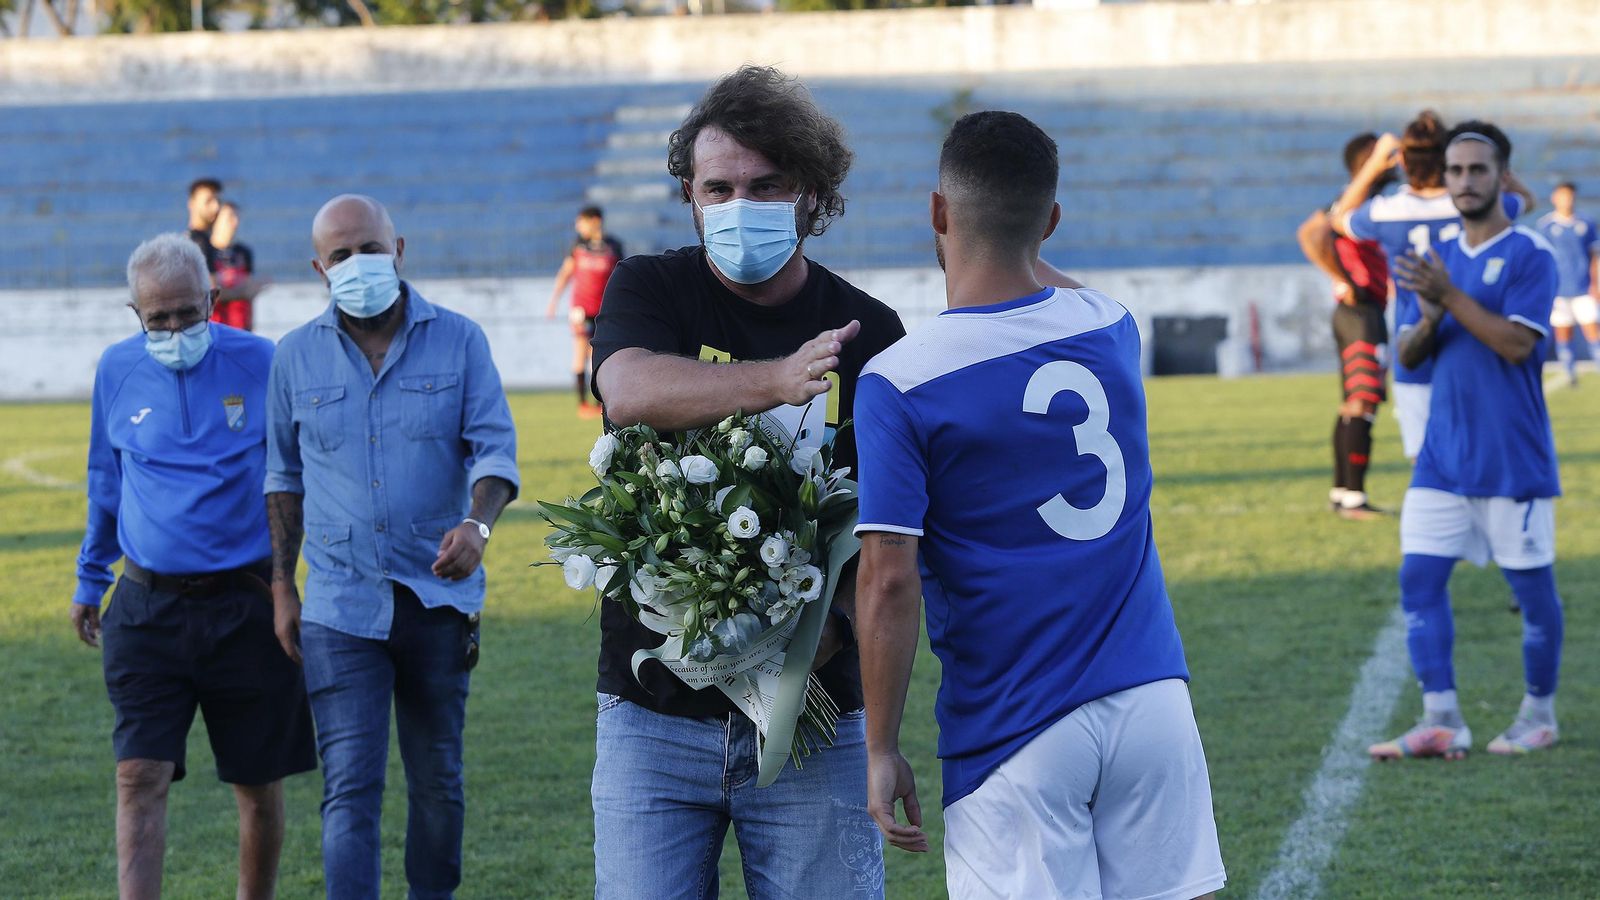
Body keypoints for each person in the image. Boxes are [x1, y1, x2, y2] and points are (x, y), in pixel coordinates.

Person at [853, 110, 1226, 900]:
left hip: (1016, 725)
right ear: (1052, 220)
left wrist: (880, 744)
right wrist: (1018, 238)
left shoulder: (899, 379)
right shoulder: (1111, 327)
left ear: (935, 212)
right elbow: (1048, 286)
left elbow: (888, 580)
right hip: (1153, 699)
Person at [588, 66, 905, 899]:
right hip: (650, 713)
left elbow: (888, 533)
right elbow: (627, 389)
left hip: (815, 718)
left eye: (767, 185)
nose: (740, 206)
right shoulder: (650, 287)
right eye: (719, 187)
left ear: (812, 193)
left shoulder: (871, 332)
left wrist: (815, 639)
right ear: (689, 197)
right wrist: (780, 379)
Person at [264, 194, 520, 899]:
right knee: (349, 786)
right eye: (341, 255)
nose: (358, 264)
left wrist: (478, 526)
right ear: (318, 266)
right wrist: (283, 585)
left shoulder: (460, 339)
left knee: (438, 779)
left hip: (437, 599)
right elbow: (282, 477)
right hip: (340, 606)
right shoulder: (292, 357)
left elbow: (495, 450)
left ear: (399, 249)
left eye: (370, 249)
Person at [71, 233, 315, 900]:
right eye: (159, 318)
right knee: (137, 777)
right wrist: (90, 578)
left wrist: (284, 585)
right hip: (147, 607)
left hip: (247, 606)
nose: (175, 328)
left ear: (212, 299)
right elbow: (105, 479)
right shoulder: (116, 371)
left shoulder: (262, 363)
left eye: (187, 312)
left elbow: (291, 477)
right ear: (135, 314)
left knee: (257, 789)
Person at [1372, 122, 1564, 761]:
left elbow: (1516, 344)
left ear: (1503, 177)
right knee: (1417, 584)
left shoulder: (1532, 253)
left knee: (1533, 597)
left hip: (1513, 459)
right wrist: (1428, 316)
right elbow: (1408, 353)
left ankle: (1539, 713)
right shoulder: (1433, 261)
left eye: (1478, 170)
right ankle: (1443, 718)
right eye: (1454, 171)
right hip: (1442, 458)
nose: (1464, 181)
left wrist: (1447, 297)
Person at [1331, 111, 1534, 461]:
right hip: (1475, 342)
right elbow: (1527, 201)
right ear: (1448, 162)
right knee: (1483, 460)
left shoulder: (1386, 211)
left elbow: (1339, 217)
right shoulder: (1473, 205)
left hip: (1416, 345)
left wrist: (1375, 164)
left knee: (1428, 467)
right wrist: (1497, 171)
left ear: (1405, 163)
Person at [1297, 132, 1395, 519]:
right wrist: (1342, 278)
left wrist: (1337, 276)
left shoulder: (1361, 201)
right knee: (1362, 403)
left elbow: (1311, 232)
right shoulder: (1356, 200)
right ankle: (1353, 497)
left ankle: (1343, 493)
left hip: (1360, 312)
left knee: (1353, 405)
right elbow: (1310, 234)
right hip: (1360, 313)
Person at [546, 205, 624, 418]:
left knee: (599, 355)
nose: (578, 226)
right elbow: (565, 274)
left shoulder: (613, 246)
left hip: (604, 310)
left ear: (595, 221)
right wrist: (554, 301)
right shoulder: (577, 246)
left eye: (581, 222)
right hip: (581, 310)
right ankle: (583, 404)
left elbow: (621, 276)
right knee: (581, 351)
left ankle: (599, 401)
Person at [1535, 181, 1600, 385]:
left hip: (1583, 288)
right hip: (1559, 291)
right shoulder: (1546, 226)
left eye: (1570, 196)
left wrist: (1596, 283)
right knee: (1564, 333)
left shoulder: (1585, 223)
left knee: (1593, 330)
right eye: (1562, 195)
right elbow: (1542, 260)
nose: (1566, 200)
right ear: (1555, 198)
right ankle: (1570, 373)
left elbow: (1594, 256)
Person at [209, 201, 266, 332]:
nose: (235, 223)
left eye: (237, 217)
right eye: (230, 217)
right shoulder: (207, 252)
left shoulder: (244, 252)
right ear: (216, 220)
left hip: (241, 329)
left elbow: (249, 292)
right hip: (216, 330)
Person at [186, 177, 223, 272]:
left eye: (218, 201)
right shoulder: (197, 244)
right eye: (208, 201)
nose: (216, 207)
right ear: (192, 204)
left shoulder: (211, 243)